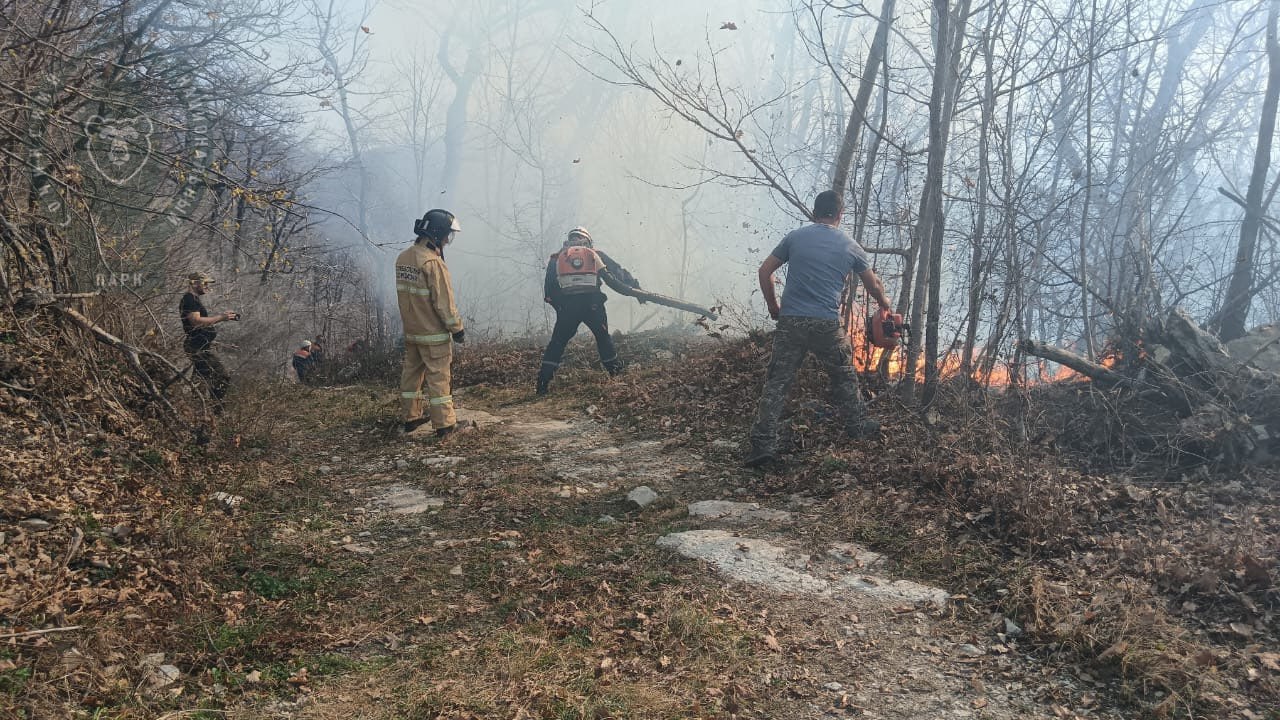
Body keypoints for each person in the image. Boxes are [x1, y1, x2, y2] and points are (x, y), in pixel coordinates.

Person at [745, 190, 892, 468]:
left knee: (777, 382)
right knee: (844, 375)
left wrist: (773, 307)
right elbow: (873, 286)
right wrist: (885, 303)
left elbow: (765, 271)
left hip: (791, 321)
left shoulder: (795, 237)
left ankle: (762, 445)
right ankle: (857, 426)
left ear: (814, 213)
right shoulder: (850, 245)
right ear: (839, 215)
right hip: (826, 324)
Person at [537, 226, 640, 396]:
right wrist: (636, 289)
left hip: (567, 308)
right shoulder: (595, 254)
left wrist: (561, 307)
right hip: (593, 306)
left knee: (557, 343)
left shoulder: (557, 258)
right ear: (589, 240)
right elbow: (617, 274)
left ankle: (542, 384)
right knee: (603, 338)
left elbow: (549, 290)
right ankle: (617, 375)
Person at [395, 209, 468, 438]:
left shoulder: (404, 258)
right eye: (447, 234)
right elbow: (444, 303)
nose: (448, 240)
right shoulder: (432, 263)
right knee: (439, 379)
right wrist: (457, 329)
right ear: (437, 232)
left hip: (412, 333)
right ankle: (445, 426)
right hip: (433, 334)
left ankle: (411, 418)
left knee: (411, 377)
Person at [179, 272, 238, 411]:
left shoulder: (193, 299)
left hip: (201, 346)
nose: (207, 286)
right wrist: (221, 317)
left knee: (200, 380)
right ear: (194, 283)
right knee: (222, 376)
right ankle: (214, 411)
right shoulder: (189, 298)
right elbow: (195, 321)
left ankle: (198, 411)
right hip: (197, 346)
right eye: (204, 283)